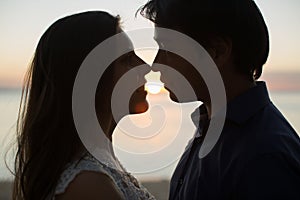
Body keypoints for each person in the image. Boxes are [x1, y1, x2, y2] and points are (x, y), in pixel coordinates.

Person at [139, 0, 300, 199]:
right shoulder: (213, 128)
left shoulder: (264, 155)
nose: (155, 64)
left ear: (217, 51)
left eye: (166, 48)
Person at [12, 11, 155, 200]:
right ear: (91, 80)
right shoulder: (88, 184)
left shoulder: (99, 164)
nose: (146, 66)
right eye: (127, 60)